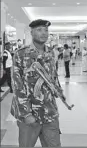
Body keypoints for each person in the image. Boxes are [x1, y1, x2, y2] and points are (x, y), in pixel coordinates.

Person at [10, 19, 66, 147]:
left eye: (46, 30)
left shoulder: (51, 52)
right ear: (31, 32)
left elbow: (53, 76)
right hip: (30, 114)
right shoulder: (21, 54)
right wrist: (26, 113)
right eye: (39, 30)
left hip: (50, 113)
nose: (44, 33)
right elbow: (17, 86)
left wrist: (59, 90)